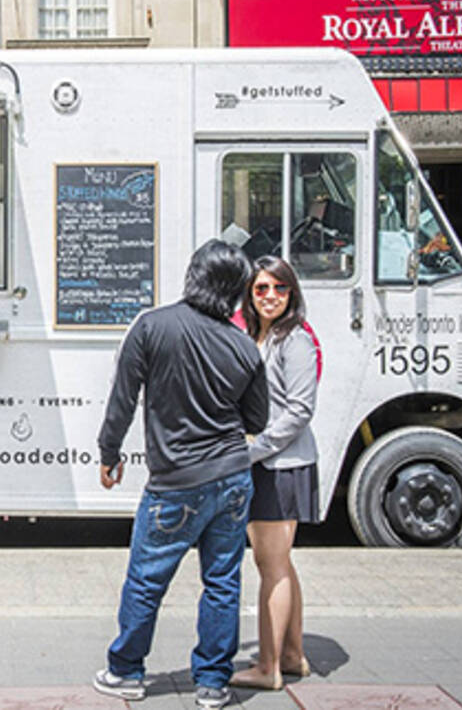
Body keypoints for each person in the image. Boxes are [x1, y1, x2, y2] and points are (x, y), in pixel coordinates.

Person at [93, 239, 269, 709]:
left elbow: (123, 400)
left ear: (193, 275)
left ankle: (126, 672)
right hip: (232, 478)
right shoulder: (243, 347)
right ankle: (212, 683)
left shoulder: (152, 327)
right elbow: (257, 422)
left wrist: (108, 453)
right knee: (223, 580)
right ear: (237, 290)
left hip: (175, 482)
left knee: (147, 579)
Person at [230, 256, 319, 691]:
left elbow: (300, 410)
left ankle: (268, 669)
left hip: (281, 465)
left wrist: (255, 450)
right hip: (271, 462)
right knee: (280, 563)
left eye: (279, 289)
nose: (270, 296)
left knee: (271, 565)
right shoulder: (257, 335)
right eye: (262, 288)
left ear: (292, 293)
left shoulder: (295, 340)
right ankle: (292, 654)